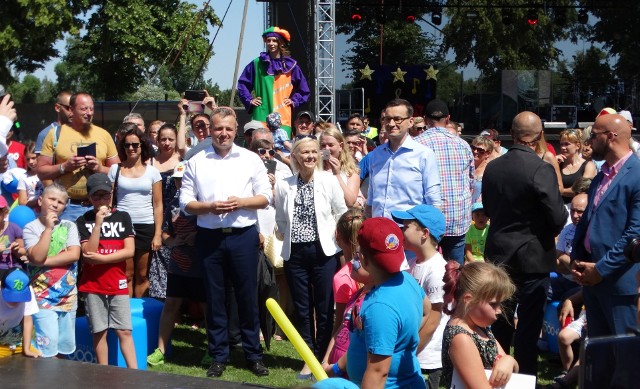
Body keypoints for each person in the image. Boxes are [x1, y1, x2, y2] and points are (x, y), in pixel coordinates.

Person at [179, 106, 271, 378]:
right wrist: (208, 207)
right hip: (210, 237)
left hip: (243, 236)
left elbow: (265, 197)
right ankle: (219, 354)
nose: (223, 133)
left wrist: (241, 202)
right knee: (215, 298)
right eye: (218, 128)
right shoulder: (196, 161)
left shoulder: (250, 159)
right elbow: (185, 202)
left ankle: (253, 355)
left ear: (235, 130)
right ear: (210, 129)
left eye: (228, 129)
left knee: (247, 297)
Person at [481, 111, 567, 377]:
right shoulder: (540, 168)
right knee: (528, 328)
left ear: (513, 134)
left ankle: (497, 375)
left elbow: (488, 207)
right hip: (532, 258)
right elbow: (557, 216)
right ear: (539, 135)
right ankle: (525, 377)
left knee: (499, 322)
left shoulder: (493, 166)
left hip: (500, 255)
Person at [274, 136, 348, 378]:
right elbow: (281, 220)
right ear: (295, 156)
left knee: (325, 307)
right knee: (303, 308)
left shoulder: (328, 180)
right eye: (304, 153)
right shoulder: (284, 184)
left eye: (314, 152)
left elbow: (341, 212)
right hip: (295, 253)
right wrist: (286, 235)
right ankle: (308, 357)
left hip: (323, 252)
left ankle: (322, 356)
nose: (310, 157)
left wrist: (338, 240)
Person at [337, 217, 428, 388]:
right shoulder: (407, 280)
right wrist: (403, 339)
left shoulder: (379, 307)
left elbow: (378, 372)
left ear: (363, 258)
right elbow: (427, 310)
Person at [571, 113, 640, 337]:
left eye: (593, 136)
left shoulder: (636, 175)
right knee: (600, 354)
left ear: (610, 136)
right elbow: (587, 221)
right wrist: (577, 259)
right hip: (591, 279)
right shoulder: (601, 175)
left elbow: (635, 233)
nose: (588, 142)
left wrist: (601, 269)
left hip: (619, 283)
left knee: (624, 356)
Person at [147, 161, 206, 366]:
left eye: (184, 179)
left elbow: (214, 230)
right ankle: (161, 349)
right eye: (178, 180)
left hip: (201, 264)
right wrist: (173, 241)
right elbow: (165, 232)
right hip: (178, 264)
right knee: (171, 304)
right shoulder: (173, 204)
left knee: (207, 306)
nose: (181, 184)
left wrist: (197, 238)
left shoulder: (204, 201)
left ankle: (213, 350)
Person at [76, 173, 137, 368]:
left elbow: (129, 251)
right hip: (93, 285)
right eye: (97, 196)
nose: (102, 201)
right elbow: (88, 253)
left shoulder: (123, 216)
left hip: (117, 282)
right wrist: (98, 224)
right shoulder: (84, 219)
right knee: (99, 331)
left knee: (124, 330)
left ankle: (135, 373)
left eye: (106, 196)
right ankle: (104, 373)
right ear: (90, 197)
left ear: (112, 195)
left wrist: (102, 259)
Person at [36, 92, 120, 222]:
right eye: (84, 109)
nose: (89, 112)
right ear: (71, 110)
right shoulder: (55, 134)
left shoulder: (104, 135)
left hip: (98, 206)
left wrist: (99, 168)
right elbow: (41, 171)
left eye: (91, 108)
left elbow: (119, 172)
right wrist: (64, 167)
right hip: (68, 208)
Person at [391, 205, 448, 389]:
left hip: (428, 359)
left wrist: (410, 352)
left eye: (406, 226)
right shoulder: (413, 263)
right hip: (415, 352)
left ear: (424, 233)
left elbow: (433, 319)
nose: (401, 230)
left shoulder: (437, 269)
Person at [23, 183, 81, 357]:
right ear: (40, 200)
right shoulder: (31, 228)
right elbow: (37, 256)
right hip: (42, 297)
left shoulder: (70, 226)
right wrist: (48, 228)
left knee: (64, 347)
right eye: (52, 199)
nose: (56, 204)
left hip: (67, 296)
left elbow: (74, 254)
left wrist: (43, 261)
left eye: (61, 202)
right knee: (47, 348)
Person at [441, 261, 518, 389]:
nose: (499, 310)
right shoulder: (461, 338)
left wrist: (508, 360)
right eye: (493, 304)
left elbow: (514, 367)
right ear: (468, 300)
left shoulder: (480, 329)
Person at [415, 99, 474, 264]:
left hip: (426, 220)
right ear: (448, 119)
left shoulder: (416, 145)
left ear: (425, 119)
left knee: (424, 267)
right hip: (457, 217)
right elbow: (470, 182)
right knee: (454, 273)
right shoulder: (463, 145)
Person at [109, 124, 162, 298]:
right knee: (126, 274)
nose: (131, 148)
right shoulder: (115, 169)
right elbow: (109, 201)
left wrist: (157, 234)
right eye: (127, 145)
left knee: (142, 275)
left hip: (146, 225)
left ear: (142, 146)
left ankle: (139, 317)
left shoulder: (153, 172)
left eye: (135, 144)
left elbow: (158, 204)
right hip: (121, 226)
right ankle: (124, 317)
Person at [365, 99, 441, 219]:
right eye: (387, 119)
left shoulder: (424, 154)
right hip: (379, 228)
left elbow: (434, 200)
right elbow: (371, 198)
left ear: (410, 122)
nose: (391, 123)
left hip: (408, 230)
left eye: (397, 119)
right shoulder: (376, 154)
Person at [237, 26, 310, 137]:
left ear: (280, 42)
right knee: (260, 145)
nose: (271, 43)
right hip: (261, 113)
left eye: (274, 40)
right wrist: (249, 100)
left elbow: (304, 90)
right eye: (268, 40)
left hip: (282, 115)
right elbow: (243, 84)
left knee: (282, 147)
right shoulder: (257, 63)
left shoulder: (292, 66)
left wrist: (294, 100)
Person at [551, 193, 588, 302]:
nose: (575, 215)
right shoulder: (567, 229)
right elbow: (558, 258)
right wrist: (570, 263)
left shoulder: (592, 233)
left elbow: (582, 269)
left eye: (580, 211)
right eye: (572, 210)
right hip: (564, 279)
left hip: (584, 286)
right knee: (535, 290)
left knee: (566, 299)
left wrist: (564, 259)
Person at [0, 267, 39, 358]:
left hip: (16, 341)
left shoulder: (28, 291)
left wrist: (27, 349)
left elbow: (28, 319)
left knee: (39, 357)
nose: (15, 301)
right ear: (2, 287)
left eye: (20, 297)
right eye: (11, 296)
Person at [319, 127, 362, 208]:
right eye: (323, 145)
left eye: (331, 145)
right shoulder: (315, 169)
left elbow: (350, 202)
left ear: (341, 146)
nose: (326, 149)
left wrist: (337, 174)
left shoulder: (350, 173)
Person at [556, 129, 597, 204]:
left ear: (577, 146)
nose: (563, 147)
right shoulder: (558, 164)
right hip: (559, 208)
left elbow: (581, 189)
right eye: (561, 144)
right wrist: (553, 165)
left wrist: (560, 191)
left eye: (567, 144)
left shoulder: (588, 165)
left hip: (578, 209)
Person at [34, 91, 73, 156]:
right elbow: (41, 165)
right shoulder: (45, 134)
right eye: (69, 108)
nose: (73, 112)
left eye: (75, 108)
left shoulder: (81, 132)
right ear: (57, 108)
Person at [0, 196, 25, 270]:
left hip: (11, 267)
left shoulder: (14, 228)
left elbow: (23, 251)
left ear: (5, 213)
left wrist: (16, 250)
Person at [17, 141, 41, 212]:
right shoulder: (24, 177)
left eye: (33, 158)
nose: (30, 162)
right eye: (28, 159)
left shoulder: (48, 173)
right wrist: (38, 201)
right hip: (32, 214)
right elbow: (22, 202)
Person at [470, 136, 493, 204]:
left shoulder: (490, 170)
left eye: (480, 150)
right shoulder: (466, 167)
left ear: (488, 154)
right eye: (473, 148)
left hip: (481, 210)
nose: (475, 151)